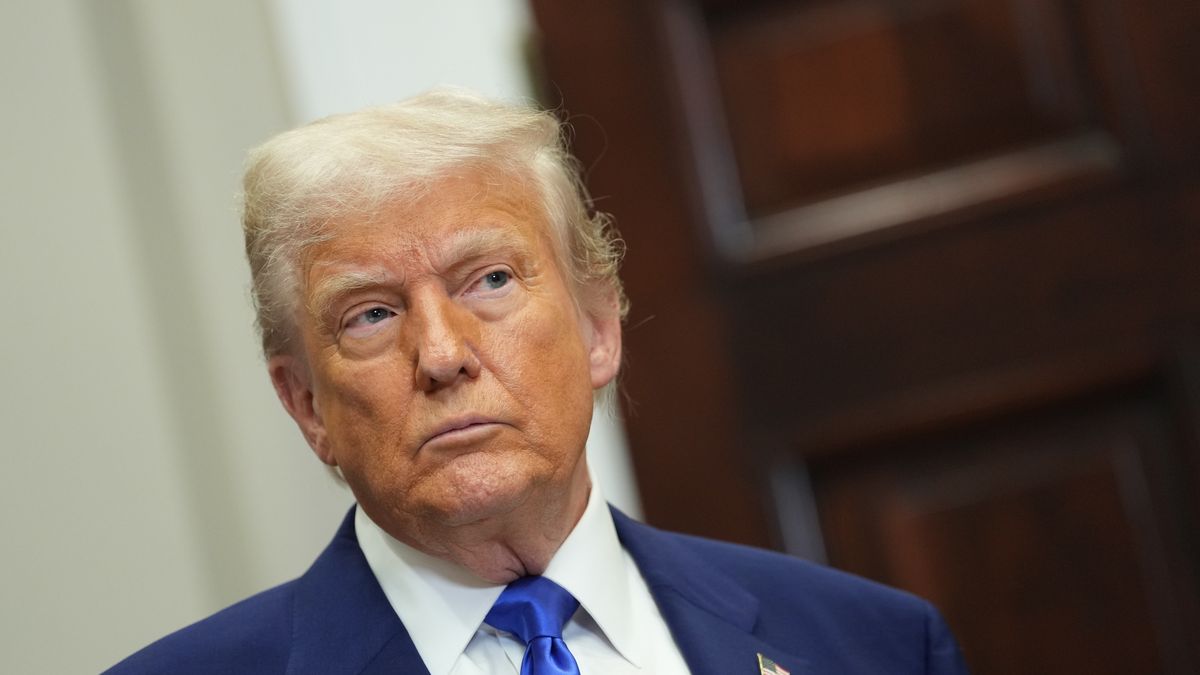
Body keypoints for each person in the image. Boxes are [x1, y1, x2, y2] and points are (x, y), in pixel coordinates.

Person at [106, 88, 969, 675]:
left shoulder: (872, 645)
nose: (441, 354)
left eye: (490, 281)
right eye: (369, 314)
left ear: (599, 326)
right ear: (305, 404)